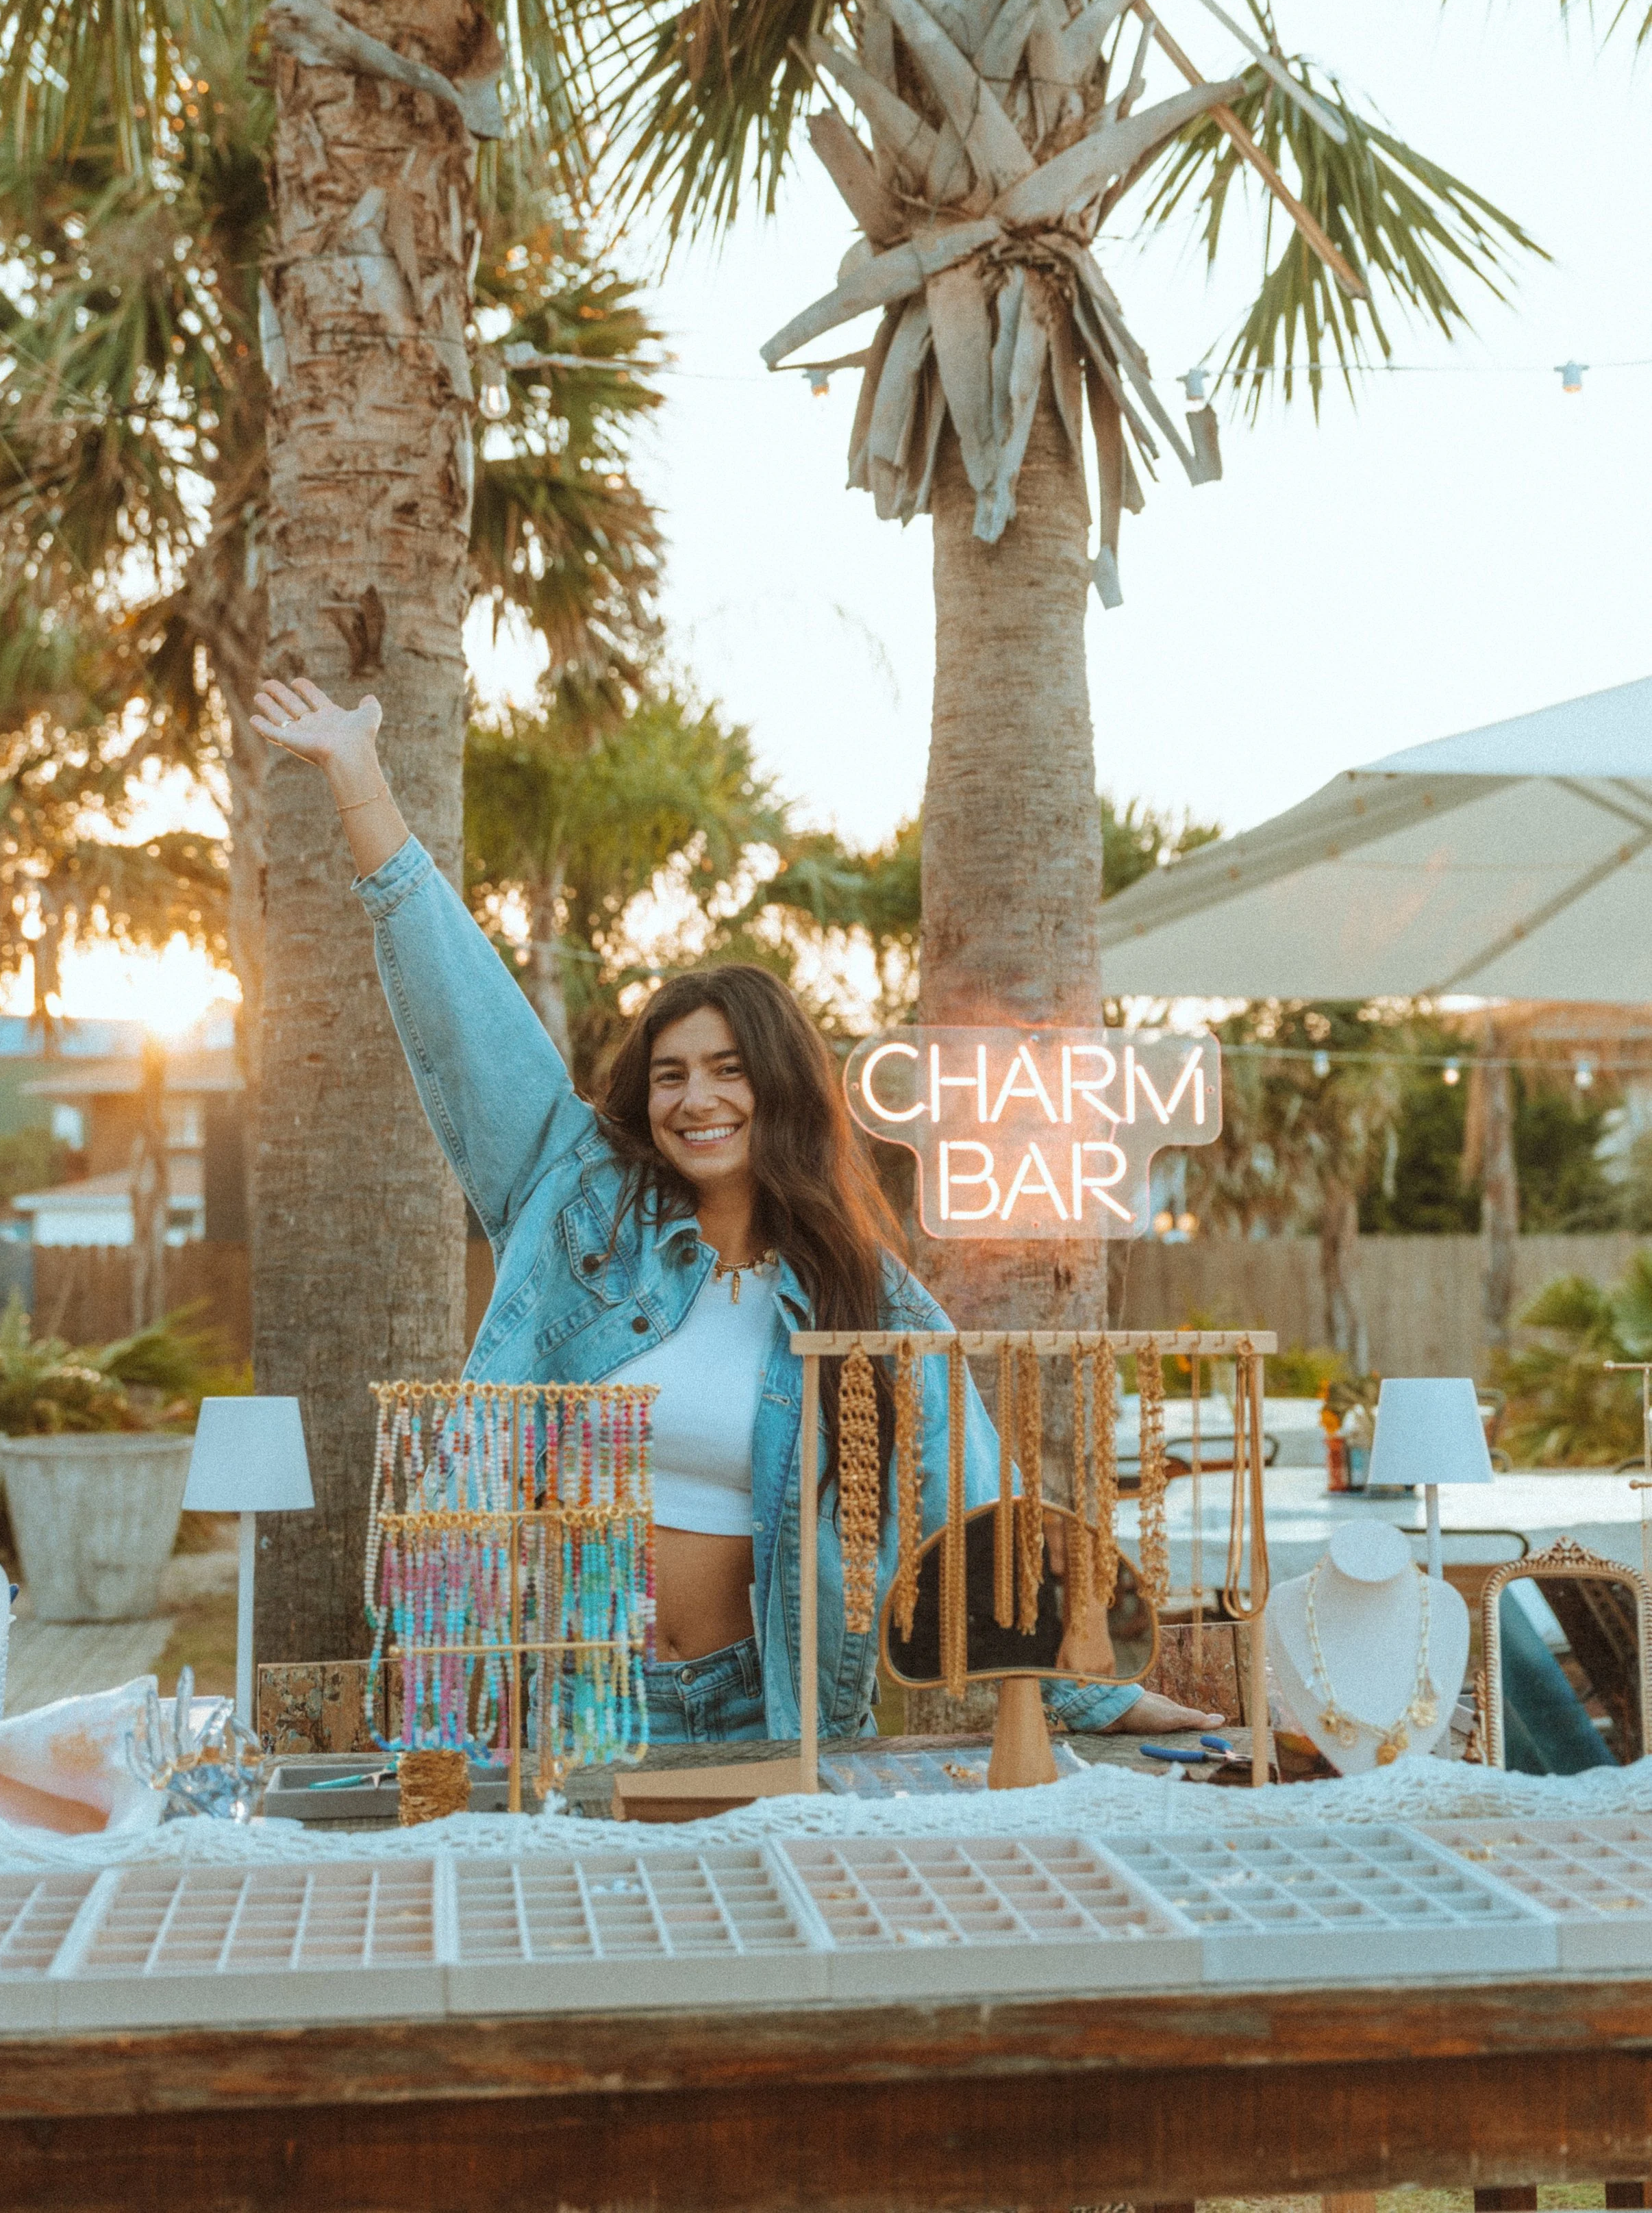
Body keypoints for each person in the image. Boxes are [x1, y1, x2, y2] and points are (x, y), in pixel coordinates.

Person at [251, 675, 1217, 1746]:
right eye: (669, 1075)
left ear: (781, 1090)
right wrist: (359, 779)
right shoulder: (579, 1201)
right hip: (570, 1697)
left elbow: (969, 1502)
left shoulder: (865, 1296)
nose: (695, 1099)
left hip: (771, 1704)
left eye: (726, 1070)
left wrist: (1100, 1694)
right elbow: (460, 1006)